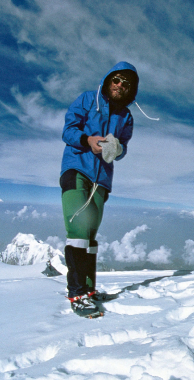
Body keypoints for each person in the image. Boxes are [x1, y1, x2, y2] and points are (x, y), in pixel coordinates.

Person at [60, 61, 139, 318]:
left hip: (102, 180)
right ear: (108, 80)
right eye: (117, 79)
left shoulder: (126, 117)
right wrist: (88, 140)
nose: (120, 85)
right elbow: (68, 130)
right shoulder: (87, 100)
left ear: (131, 90)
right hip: (76, 170)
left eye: (126, 83)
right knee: (79, 229)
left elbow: (123, 148)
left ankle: (89, 291)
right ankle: (77, 293)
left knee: (91, 235)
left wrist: (118, 149)